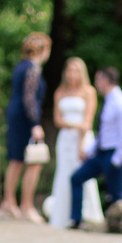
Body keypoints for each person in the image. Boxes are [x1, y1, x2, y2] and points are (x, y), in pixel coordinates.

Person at [68, 67, 122, 228]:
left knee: (117, 195)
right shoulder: (109, 101)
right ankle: (76, 219)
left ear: (104, 80)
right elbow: (104, 133)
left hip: (114, 154)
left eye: (97, 80)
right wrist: (89, 151)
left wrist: (116, 161)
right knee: (76, 178)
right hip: (100, 153)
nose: (96, 84)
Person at [38, 57, 94, 225]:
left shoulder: (88, 91)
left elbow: (87, 122)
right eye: (69, 70)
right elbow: (58, 120)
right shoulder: (60, 92)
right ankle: (63, 215)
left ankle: (85, 214)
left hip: (82, 138)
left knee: (81, 173)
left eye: (75, 70)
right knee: (64, 173)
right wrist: (74, 125)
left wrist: (80, 141)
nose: (72, 74)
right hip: (65, 139)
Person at [1, 32, 48, 220]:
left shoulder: (20, 67)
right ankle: (26, 205)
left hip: (14, 115)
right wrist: (35, 124)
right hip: (25, 119)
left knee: (16, 160)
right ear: (44, 51)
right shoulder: (33, 69)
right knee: (34, 162)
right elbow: (30, 99)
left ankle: (9, 201)